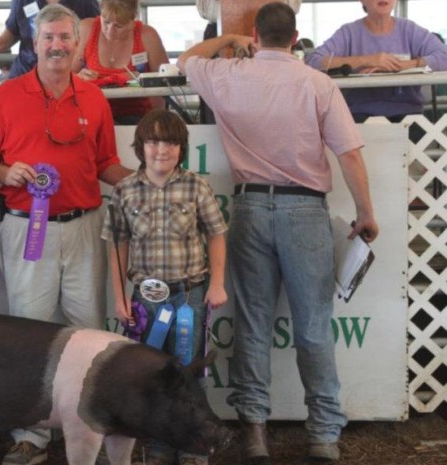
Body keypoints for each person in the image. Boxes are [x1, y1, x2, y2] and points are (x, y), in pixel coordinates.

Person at [177, 2, 379, 464]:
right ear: (295, 37)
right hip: (305, 208)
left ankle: (254, 432)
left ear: (254, 33)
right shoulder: (317, 83)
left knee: (253, 323)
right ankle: (324, 434)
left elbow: (185, 58)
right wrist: (365, 212)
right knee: (312, 326)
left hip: (249, 206)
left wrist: (227, 43)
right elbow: (348, 154)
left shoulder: (227, 74)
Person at [0, 5, 131, 465]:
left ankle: (90, 431)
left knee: (90, 334)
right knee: (30, 334)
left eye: (66, 38)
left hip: (85, 228)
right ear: (34, 43)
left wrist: (141, 183)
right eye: (49, 39)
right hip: (26, 230)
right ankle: (31, 435)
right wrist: (4, 170)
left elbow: (105, 164)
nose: (58, 46)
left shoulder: (95, 98)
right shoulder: (5, 96)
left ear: (77, 44)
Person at [102, 109, 227, 465]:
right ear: (141, 147)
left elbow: (217, 234)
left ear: (181, 148)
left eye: (171, 142)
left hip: (190, 294)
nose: (162, 150)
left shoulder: (196, 186)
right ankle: (157, 445)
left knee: (191, 373)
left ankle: (193, 446)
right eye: (154, 141)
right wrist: (119, 296)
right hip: (146, 298)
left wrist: (217, 284)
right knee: (151, 375)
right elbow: (117, 246)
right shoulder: (124, 191)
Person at [305, 0, 447, 122]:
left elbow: (444, 56)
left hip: (409, 116)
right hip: (358, 116)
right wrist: (367, 60)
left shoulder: (410, 30)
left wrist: (402, 65)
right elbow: (313, 62)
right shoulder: (348, 33)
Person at [73, 0, 169, 124]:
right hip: (94, 112)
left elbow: (165, 81)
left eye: (119, 25)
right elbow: (63, 78)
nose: (110, 31)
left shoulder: (147, 36)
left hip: (137, 115)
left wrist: (141, 79)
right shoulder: (87, 29)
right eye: (106, 22)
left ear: (133, 22)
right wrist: (78, 78)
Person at [0, 0, 99, 80]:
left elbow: (96, 33)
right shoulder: (22, 1)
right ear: (35, 43)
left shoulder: (85, 2)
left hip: (68, 75)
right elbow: (12, 31)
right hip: (26, 71)